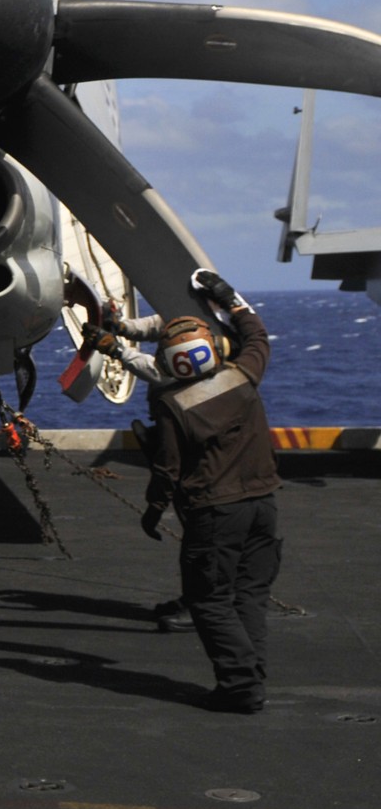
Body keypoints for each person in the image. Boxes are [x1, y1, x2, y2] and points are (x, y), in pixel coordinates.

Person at [90, 270, 281, 713]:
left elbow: (168, 468)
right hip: (264, 507)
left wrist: (154, 511)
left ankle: (239, 687)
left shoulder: (175, 405)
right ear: (212, 351)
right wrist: (227, 297)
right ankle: (251, 678)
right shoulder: (244, 376)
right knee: (247, 596)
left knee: (209, 601)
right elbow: (256, 334)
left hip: (215, 514)